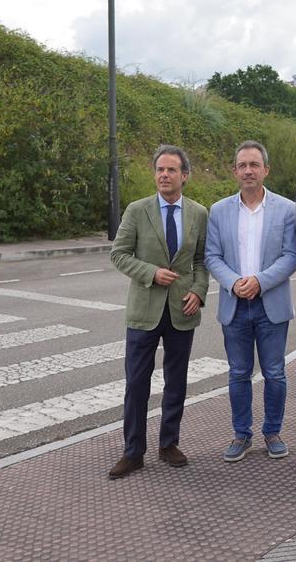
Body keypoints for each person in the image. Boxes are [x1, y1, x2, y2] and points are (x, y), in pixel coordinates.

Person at [108, 145, 209, 479]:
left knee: (176, 381)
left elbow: (200, 261)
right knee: (137, 383)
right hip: (144, 310)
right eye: (160, 170)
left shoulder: (198, 213)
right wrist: (150, 272)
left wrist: (198, 291)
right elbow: (119, 254)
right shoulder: (137, 211)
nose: (164, 175)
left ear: (185, 176)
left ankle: (169, 444)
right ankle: (133, 452)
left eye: (171, 170)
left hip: (182, 308)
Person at [205, 140, 296, 462]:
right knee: (238, 373)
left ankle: (272, 432)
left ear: (266, 170)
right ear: (234, 171)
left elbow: (291, 256)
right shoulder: (218, 211)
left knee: (275, 373)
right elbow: (212, 256)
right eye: (242, 165)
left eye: (254, 165)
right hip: (235, 304)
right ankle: (241, 435)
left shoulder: (286, 209)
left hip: (270, 303)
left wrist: (260, 281)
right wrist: (235, 283)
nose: (248, 170)